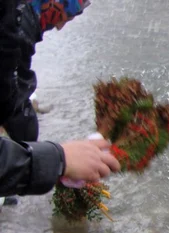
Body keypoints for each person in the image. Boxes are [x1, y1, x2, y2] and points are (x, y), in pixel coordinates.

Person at [1, 0, 120, 198]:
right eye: (65, 15)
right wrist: (57, 160)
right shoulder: (18, 25)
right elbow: (16, 104)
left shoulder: (19, 19)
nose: (59, 26)